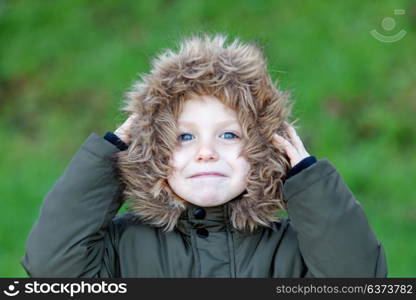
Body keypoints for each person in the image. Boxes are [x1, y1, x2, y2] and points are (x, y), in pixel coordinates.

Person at [21, 34, 387, 277]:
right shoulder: (121, 248)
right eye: (184, 136)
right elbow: (52, 270)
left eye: (229, 134)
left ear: (267, 149)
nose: (207, 153)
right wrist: (107, 162)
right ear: (150, 150)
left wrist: (308, 179)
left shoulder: (294, 249)